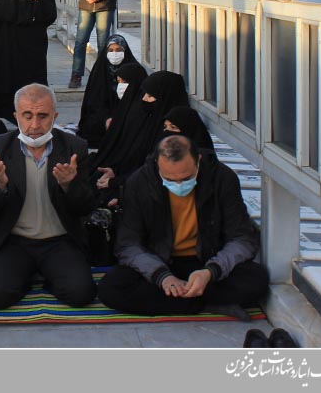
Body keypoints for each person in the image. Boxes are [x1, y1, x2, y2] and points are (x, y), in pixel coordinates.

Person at [97, 135, 269, 319]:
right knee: (111, 289)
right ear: (157, 164)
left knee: (256, 279)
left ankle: (182, 301)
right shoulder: (139, 182)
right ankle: (207, 303)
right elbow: (128, 244)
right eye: (170, 179)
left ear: (198, 160)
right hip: (160, 260)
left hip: (208, 259)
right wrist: (162, 276)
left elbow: (242, 238)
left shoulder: (222, 178)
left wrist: (211, 272)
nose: (178, 185)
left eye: (186, 178)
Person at [0, 84, 96, 309]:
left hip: (59, 241)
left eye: (43, 116)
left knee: (81, 294)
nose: (34, 125)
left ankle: (48, 276)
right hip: (14, 241)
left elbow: (85, 207)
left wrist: (69, 186)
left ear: (54, 117)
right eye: (27, 115)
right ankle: (26, 276)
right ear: (16, 116)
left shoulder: (74, 148)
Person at [91, 70, 190, 206]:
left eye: (150, 96)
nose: (144, 99)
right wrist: (117, 173)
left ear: (165, 97)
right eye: (144, 94)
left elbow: (159, 174)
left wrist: (119, 182)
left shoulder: (175, 131)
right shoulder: (151, 121)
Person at [0, 0, 59, 122]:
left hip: (34, 45)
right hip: (12, 43)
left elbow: (49, 15)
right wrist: (27, 8)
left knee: (34, 78)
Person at [76, 34, 140, 149]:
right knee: (91, 126)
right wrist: (106, 119)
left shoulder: (135, 70)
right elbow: (93, 102)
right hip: (103, 117)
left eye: (119, 50)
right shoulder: (100, 70)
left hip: (128, 115)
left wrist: (121, 117)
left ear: (125, 51)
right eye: (111, 50)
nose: (114, 54)